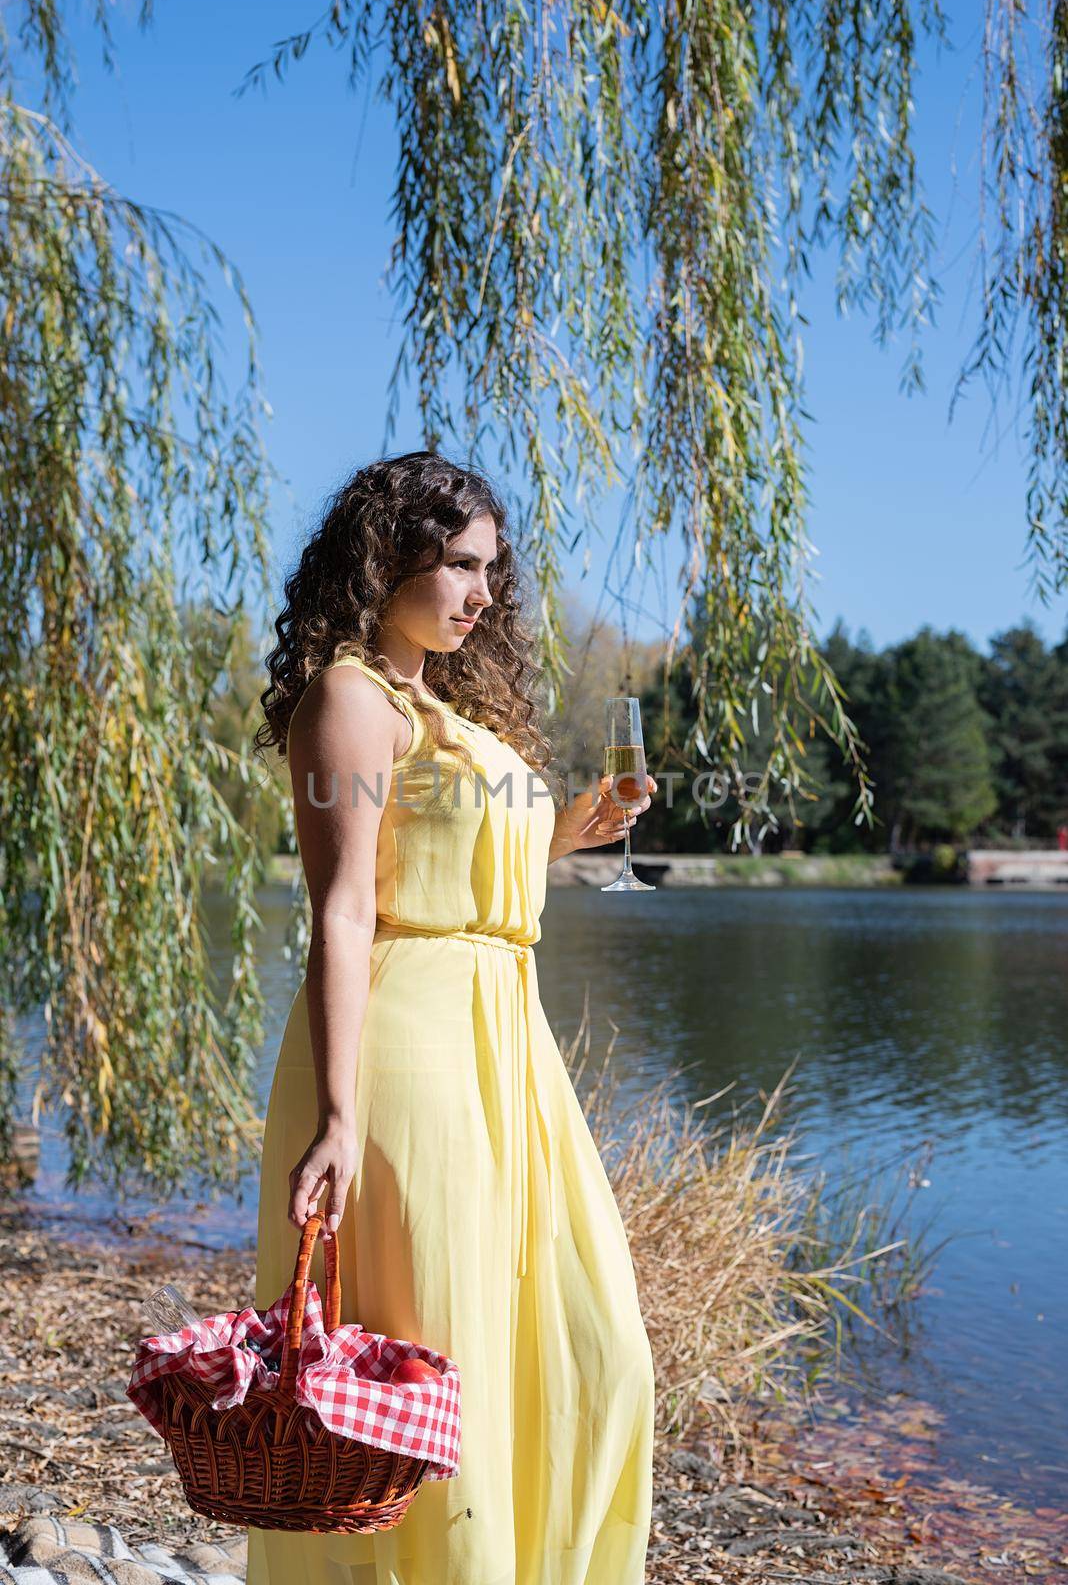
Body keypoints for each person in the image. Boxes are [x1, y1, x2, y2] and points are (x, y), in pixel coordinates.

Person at [249, 450, 658, 1585]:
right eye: (461, 564)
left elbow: (472, 863)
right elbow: (341, 912)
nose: (485, 592)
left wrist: (572, 825)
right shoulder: (349, 697)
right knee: (437, 1355)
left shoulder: (439, 701)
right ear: (390, 558)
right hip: (410, 1052)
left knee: (599, 1344)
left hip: (508, 1045)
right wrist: (338, 1114)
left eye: (493, 568)